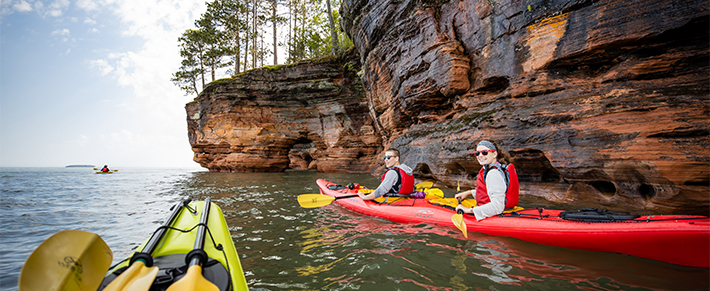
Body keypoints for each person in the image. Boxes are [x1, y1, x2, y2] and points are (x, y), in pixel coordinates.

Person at [455, 140, 518, 221]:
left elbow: (498, 206)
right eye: (477, 153)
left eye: (484, 152)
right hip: (507, 209)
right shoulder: (497, 167)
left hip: (498, 214)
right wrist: (468, 192)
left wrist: (469, 210)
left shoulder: (493, 173)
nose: (480, 155)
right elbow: (489, 191)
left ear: (495, 154)